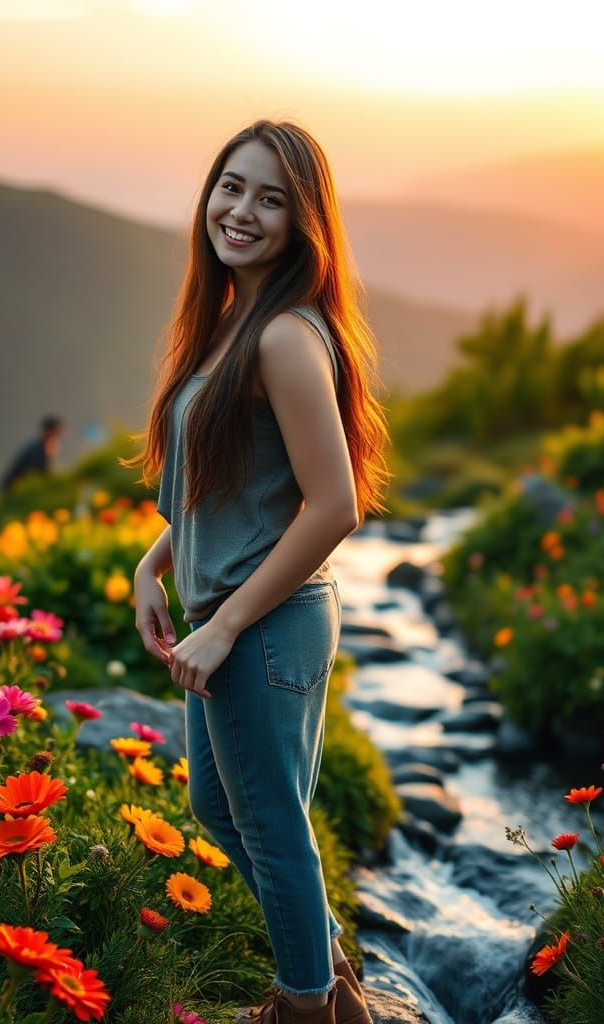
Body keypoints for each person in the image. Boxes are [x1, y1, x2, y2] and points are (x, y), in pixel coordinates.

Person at [125, 119, 390, 1024]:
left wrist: (227, 622)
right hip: (240, 615)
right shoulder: (237, 320)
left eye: (271, 198)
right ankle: (333, 982)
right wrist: (155, 561)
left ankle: (304, 1006)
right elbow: (229, 483)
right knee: (222, 809)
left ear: (303, 223)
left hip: (264, 624)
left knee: (272, 830)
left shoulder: (281, 337)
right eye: (231, 186)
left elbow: (334, 504)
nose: (241, 211)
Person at [0, 416, 65, 496]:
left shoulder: (39, 445)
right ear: (50, 431)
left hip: (18, 485)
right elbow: (42, 472)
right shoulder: (38, 448)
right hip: (12, 488)